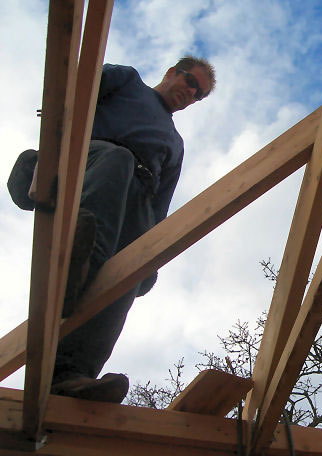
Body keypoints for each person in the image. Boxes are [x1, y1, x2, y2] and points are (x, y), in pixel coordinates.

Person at [7, 56, 216, 403]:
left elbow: (159, 208)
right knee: (118, 160)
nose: (191, 94)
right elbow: (77, 91)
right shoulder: (129, 81)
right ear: (171, 73)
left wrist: (150, 259)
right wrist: (59, 116)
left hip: (133, 198)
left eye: (199, 95)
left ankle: (71, 374)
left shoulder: (175, 145)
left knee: (130, 269)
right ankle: (76, 263)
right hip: (89, 164)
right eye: (191, 82)